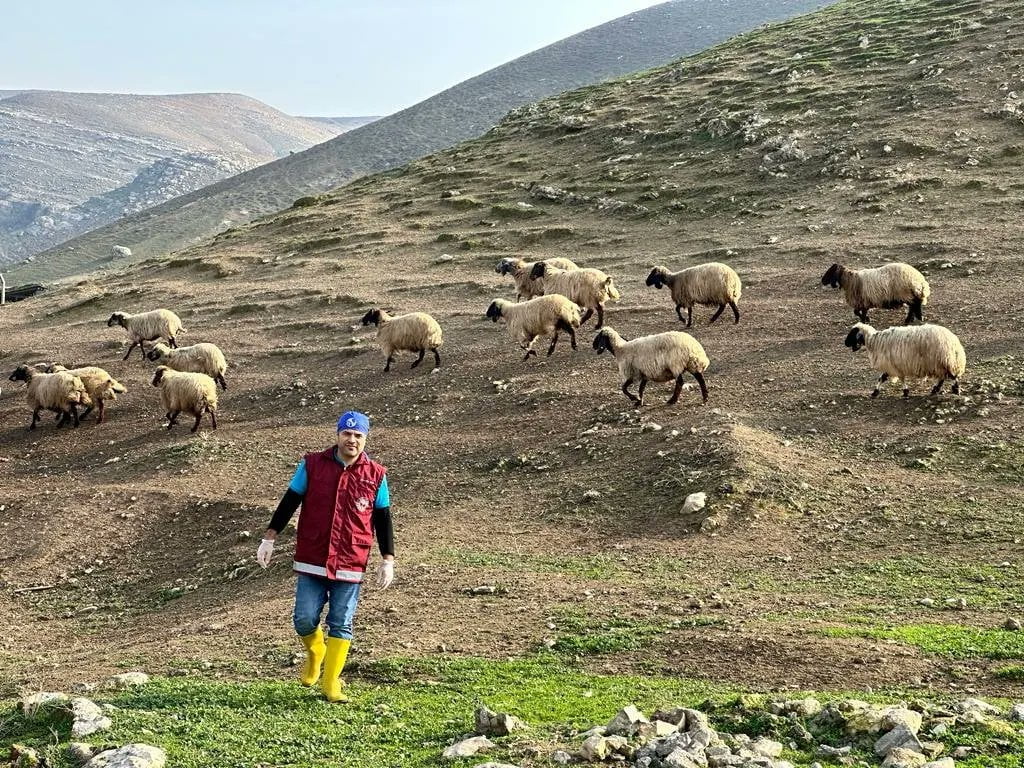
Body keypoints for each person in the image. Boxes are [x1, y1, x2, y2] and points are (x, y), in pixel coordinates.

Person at [255, 410, 394, 702]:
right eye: (347, 433)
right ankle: (315, 651)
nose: (352, 440)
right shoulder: (312, 464)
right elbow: (290, 501)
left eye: (358, 436)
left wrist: (387, 558)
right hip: (313, 555)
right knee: (304, 618)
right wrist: (269, 538)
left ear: (365, 438)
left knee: (341, 621)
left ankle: (331, 683)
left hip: (351, 560)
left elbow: (383, 519)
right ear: (338, 434)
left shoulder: (377, 475)